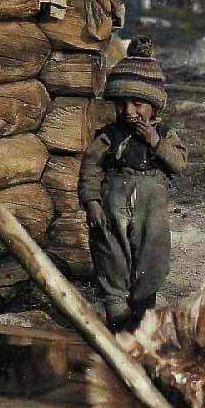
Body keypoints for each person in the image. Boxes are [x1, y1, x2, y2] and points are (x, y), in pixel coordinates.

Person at [78, 37, 187, 332]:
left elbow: (178, 164)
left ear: (153, 105)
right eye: (122, 103)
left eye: (138, 103)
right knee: (110, 253)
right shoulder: (108, 136)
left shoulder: (165, 134)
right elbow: (90, 168)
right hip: (112, 202)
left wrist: (155, 141)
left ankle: (142, 313)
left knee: (152, 257)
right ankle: (116, 314)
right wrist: (92, 202)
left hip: (151, 207)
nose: (129, 111)